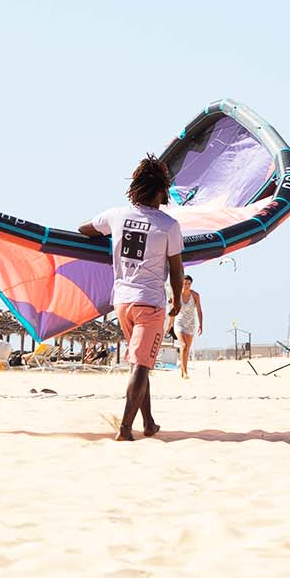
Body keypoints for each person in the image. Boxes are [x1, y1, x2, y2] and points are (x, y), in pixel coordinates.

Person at [79, 155, 186, 441]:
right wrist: (177, 300)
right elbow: (177, 270)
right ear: (161, 190)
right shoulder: (168, 225)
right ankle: (126, 429)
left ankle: (149, 422)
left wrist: (112, 235)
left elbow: (83, 229)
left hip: (122, 302)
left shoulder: (116, 215)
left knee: (142, 362)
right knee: (141, 365)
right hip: (150, 303)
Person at [174, 274, 204, 378]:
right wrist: (169, 325)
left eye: (188, 283)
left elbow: (199, 310)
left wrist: (201, 324)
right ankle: (185, 372)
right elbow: (173, 311)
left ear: (191, 284)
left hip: (191, 324)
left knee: (187, 349)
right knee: (184, 345)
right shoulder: (177, 295)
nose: (186, 285)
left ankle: (182, 372)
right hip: (179, 323)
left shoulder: (195, 295)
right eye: (184, 283)